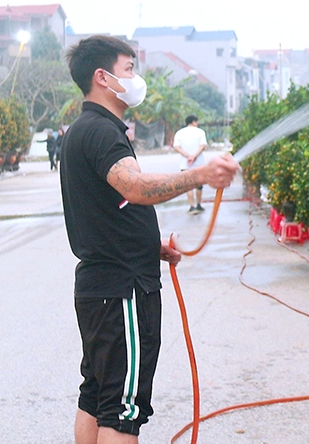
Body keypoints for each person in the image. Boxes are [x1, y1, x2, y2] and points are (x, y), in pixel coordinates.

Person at [60, 35, 238, 444]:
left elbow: (103, 209)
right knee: (124, 409)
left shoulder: (82, 130)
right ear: (102, 77)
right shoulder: (102, 132)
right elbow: (134, 188)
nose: (136, 78)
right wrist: (200, 175)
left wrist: (149, 246)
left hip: (99, 287)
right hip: (122, 290)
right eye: (129, 69)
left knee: (98, 397)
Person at [172, 115, 208, 214]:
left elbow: (176, 147)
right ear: (193, 122)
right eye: (196, 121)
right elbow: (203, 146)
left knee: (188, 186)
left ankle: (191, 206)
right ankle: (199, 205)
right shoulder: (200, 132)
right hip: (199, 163)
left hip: (185, 164)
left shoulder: (179, 133)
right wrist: (194, 156)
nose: (197, 123)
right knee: (199, 185)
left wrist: (188, 156)